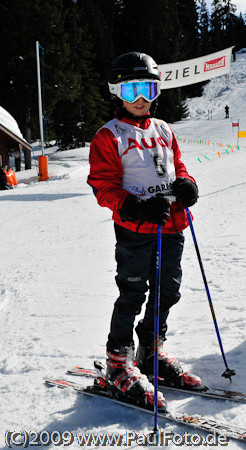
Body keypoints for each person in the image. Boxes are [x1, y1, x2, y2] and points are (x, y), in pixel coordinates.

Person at [87, 51, 201, 410]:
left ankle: (151, 350)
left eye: (148, 88)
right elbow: (103, 185)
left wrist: (187, 184)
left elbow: (177, 167)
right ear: (116, 91)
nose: (141, 98)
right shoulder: (109, 136)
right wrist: (133, 206)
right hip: (136, 229)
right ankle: (118, 362)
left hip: (173, 223)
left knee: (168, 291)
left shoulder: (164, 129)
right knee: (133, 294)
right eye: (133, 88)